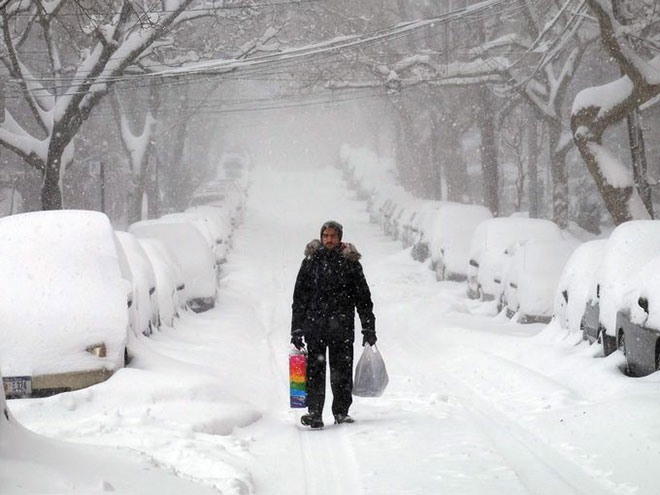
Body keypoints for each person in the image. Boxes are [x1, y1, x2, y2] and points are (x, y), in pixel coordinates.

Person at [291, 220, 377, 429]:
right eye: (325, 236)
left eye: (333, 236)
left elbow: (363, 298)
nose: (329, 239)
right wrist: (296, 329)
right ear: (321, 238)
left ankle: (341, 412)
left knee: (341, 372)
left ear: (340, 238)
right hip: (315, 327)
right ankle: (314, 413)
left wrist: (368, 326)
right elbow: (300, 298)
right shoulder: (311, 261)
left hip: (342, 328)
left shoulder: (350, 263)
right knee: (314, 372)